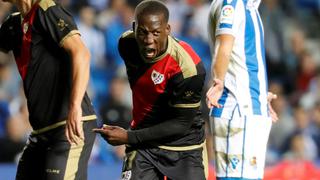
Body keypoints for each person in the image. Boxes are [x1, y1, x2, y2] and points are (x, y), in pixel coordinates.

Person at [93, 0, 208, 179]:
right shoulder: (126, 44)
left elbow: (180, 124)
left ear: (168, 30)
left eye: (156, 33)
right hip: (143, 146)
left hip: (184, 148)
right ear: (134, 27)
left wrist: (128, 137)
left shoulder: (188, 67)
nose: (148, 41)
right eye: (143, 32)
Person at [0, 0, 97, 179]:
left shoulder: (46, 10)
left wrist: (75, 107)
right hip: (40, 132)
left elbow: (82, 53)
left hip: (69, 125)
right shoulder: (13, 24)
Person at [206, 0, 278, 179]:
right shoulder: (232, 3)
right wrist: (219, 82)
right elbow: (224, 47)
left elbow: (243, 57)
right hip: (237, 107)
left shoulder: (248, 6)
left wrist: (260, 95)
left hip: (250, 104)